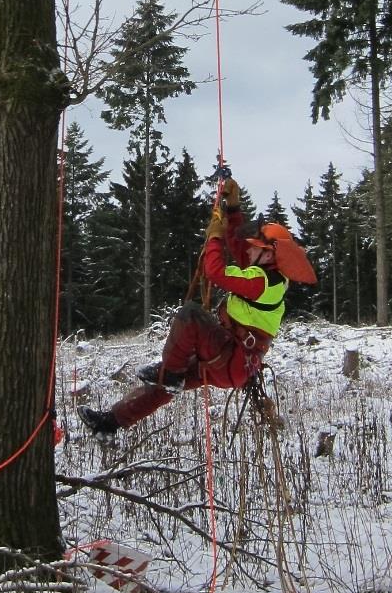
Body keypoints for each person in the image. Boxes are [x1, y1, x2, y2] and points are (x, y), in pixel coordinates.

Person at [78, 178, 316, 443]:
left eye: (256, 248)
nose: (249, 250)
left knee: (189, 316)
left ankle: (169, 374)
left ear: (269, 255)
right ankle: (110, 423)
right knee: (167, 383)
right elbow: (239, 247)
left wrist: (214, 237)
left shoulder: (260, 281)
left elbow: (215, 271)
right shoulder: (267, 276)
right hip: (231, 361)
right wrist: (233, 208)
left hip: (230, 358)